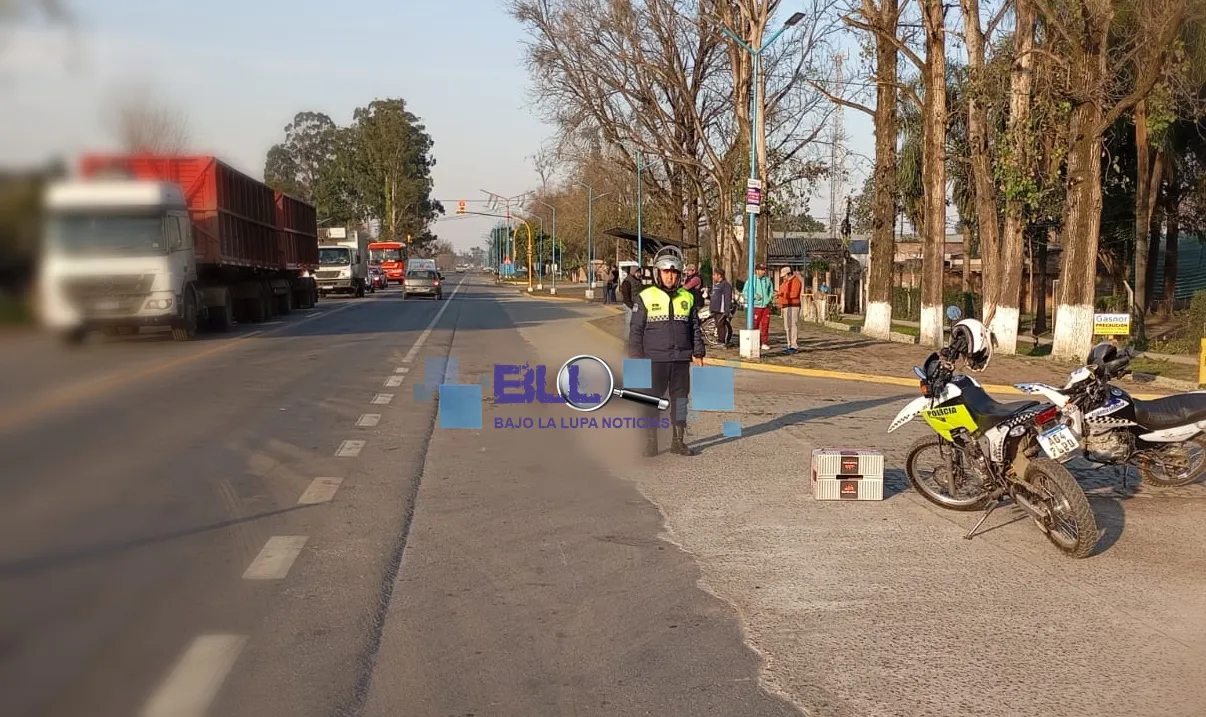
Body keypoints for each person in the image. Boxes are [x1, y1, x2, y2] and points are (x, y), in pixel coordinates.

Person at [629, 246, 705, 457]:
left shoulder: (687, 297)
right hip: (653, 360)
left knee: (680, 401)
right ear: (658, 273)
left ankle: (678, 442)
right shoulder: (645, 297)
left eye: (673, 272)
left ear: (679, 274)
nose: (670, 276)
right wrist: (635, 358)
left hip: (680, 359)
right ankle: (651, 443)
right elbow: (635, 330)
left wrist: (698, 352)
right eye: (665, 272)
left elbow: (694, 327)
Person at [775, 266, 803, 353]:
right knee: (787, 326)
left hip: (793, 306)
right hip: (786, 306)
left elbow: (794, 294)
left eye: (784, 276)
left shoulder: (796, 281)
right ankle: (789, 344)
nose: (783, 277)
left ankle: (794, 345)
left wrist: (781, 294)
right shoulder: (785, 283)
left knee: (792, 325)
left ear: (788, 274)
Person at [749, 263, 774, 351]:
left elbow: (771, 291)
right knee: (755, 325)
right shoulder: (751, 280)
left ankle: (764, 342)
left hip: (766, 307)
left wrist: (769, 299)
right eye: (761, 270)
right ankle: (755, 342)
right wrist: (754, 296)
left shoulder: (767, 280)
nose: (763, 272)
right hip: (756, 306)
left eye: (764, 270)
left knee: (765, 325)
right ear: (756, 270)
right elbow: (745, 292)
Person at [710, 267, 733, 347]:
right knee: (717, 325)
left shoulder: (726, 285)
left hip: (721, 310)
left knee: (721, 325)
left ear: (719, 275)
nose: (713, 276)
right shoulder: (717, 285)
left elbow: (727, 298)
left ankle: (722, 342)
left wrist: (727, 310)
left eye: (714, 275)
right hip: (715, 309)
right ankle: (719, 340)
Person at [621, 265, 642, 337]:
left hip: (637, 305)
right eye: (637, 272)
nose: (639, 274)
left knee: (636, 322)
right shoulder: (627, 281)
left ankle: (635, 337)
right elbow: (626, 295)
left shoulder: (639, 280)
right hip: (629, 305)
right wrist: (631, 306)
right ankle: (628, 338)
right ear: (633, 272)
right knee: (629, 322)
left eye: (640, 272)